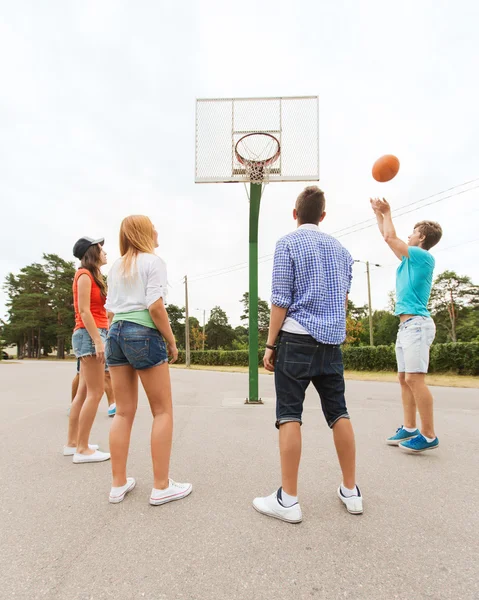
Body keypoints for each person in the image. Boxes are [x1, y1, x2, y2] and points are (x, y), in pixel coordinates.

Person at [253, 186, 362, 524]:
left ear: (295, 213)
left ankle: (289, 499)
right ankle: (350, 490)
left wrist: (270, 345)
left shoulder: (287, 243)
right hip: (331, 342)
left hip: (296, 338)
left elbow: (280, 299)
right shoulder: (342, 251)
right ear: (323, 216)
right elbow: (343, 301)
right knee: (338, 413)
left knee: (289, 415)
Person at [105, 215, 191, 505]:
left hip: (115, 333)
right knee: (162, 411)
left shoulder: (116, 266)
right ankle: (161, 486)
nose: (157, 230)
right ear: (143, 232)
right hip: (142, 333)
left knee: (123, 412)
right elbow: (155, 307)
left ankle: (118, 485)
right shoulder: (154, 262)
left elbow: (109, 312)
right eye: (153, 226)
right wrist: (171, 339)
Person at [371, 198, 442, 453]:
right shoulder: (409, 261)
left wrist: (387, 211)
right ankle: (410, 428)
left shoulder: (422, 257)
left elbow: (391, 237)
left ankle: (429, 434)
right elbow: (387, 235)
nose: (409, 235)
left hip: (418, 325)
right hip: (406, 327)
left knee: (414, 378)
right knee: (404, 378)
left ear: (421, 237)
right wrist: (379, 215)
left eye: (413, 232)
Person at [65, 237, 111, 463]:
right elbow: (84, 311)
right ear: (92, 253)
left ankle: (73, 443)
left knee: (83, 392)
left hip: (90, 334)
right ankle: (82, 449)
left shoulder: (91, 276)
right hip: (89, 334)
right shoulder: (83, 274)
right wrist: (98, 341)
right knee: (96, 392)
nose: (105, 253)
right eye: (101, 249)